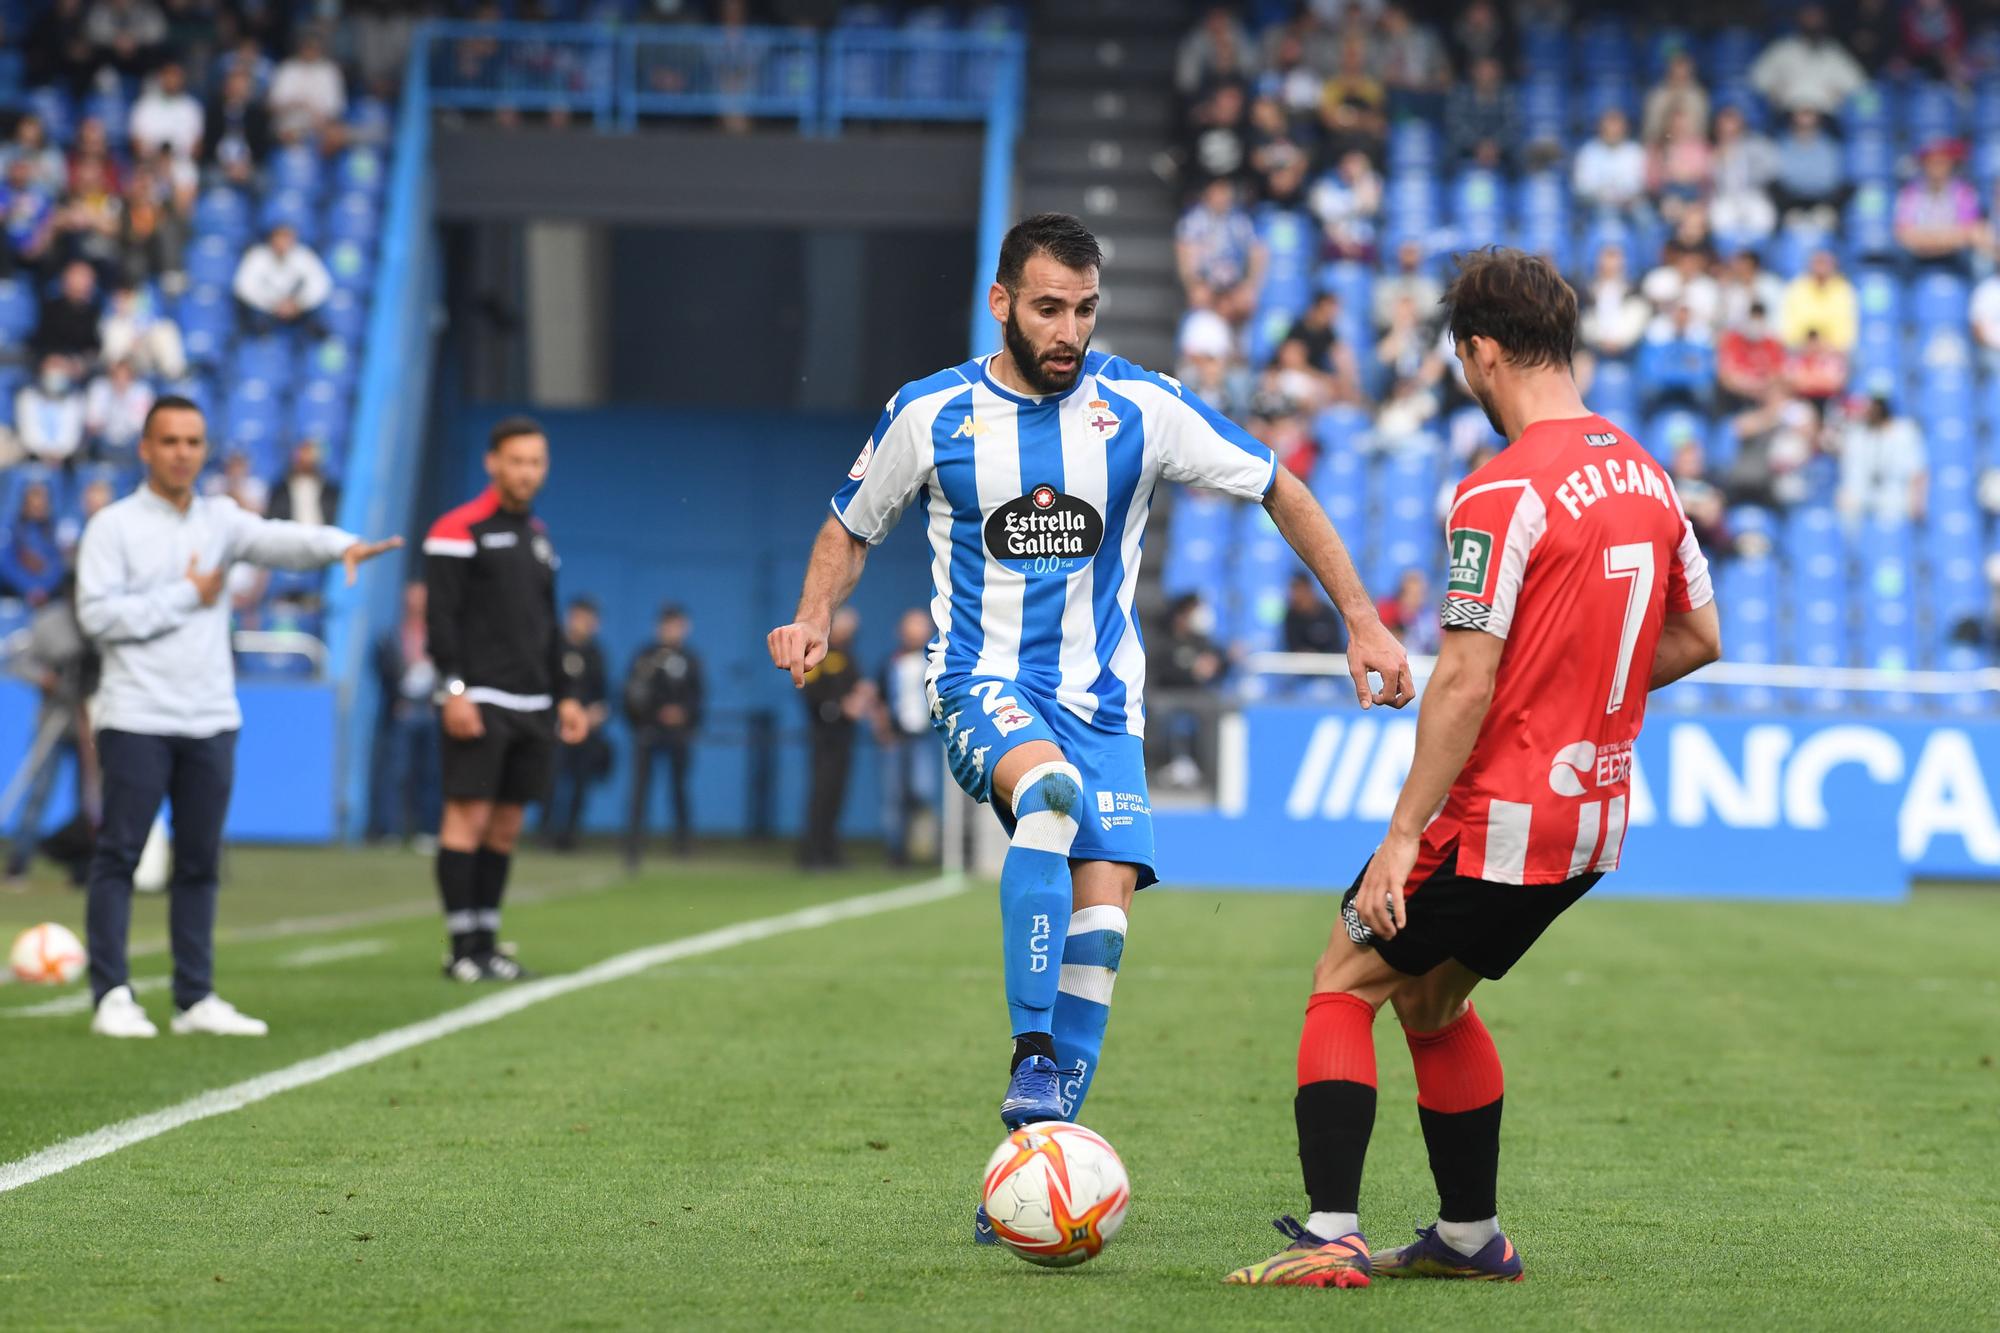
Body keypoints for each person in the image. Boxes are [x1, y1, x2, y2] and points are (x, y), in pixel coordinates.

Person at [767, 213, 1412, 1225]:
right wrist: (813, 616)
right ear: (1001, 304)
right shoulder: (930, 413)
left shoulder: (1139, 406)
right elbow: (850, 526)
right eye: (1046, 308)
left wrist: (1364, 622)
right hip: (980, 681)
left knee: (1101, 922)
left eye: (1082, 309)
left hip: (1103, 706)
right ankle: (1030, 1058)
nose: (1067, 330)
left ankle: (1034, 1164)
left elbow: (1278, 485)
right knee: (1050, 797)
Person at [1226, 247, 1719, 1288]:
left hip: (1498, 812)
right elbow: (1695, 635)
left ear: (1482, 351)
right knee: (1431, 999)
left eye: (1462, 360)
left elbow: (1459, 679)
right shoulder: (1646, 472)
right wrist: (1574, 696)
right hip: (1592, 818)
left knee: (1343, 976)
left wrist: (1398, 840)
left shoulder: (1500, 488)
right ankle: (1466, 1239)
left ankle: (1329, 1236)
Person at [76, 395, 399, 1038]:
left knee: (200, 862)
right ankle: (111, 993)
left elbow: (281, 540)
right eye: (169, 441)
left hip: (210, 716)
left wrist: (341, 547)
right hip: (137, 714)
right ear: (145, 448)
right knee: (120, 855)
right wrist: (183, 597)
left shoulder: (220, 520)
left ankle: (194, 997)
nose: (183, 453)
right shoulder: (112, 527)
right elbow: (97, 617)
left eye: (194, 441)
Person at [423, 417, 589, 982]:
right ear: (493, 463)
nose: (526, 471)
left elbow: (548, 625)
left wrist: (565, 696)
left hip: (533, 704)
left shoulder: (539, 537)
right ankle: (461, 947)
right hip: (480, 698)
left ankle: (488, 941)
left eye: (536, 462)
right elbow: (439, 620)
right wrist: (453, 691)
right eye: (516, 460)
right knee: (466, 820)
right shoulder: (457, 529)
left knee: (505, 827)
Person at [4, 574, 96, 882]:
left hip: (88, 719)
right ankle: (19, 862)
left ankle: (82, 867)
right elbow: (22, 663)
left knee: (89, 797)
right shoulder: (49, 622)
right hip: (54, 717)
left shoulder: (101, 619)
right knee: (38, 793)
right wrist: (46, 678)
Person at [621, 604, 703, 865]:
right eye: (667, 624)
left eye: (677, 624)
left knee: (679, 789)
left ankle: (683, 844)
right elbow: (631, 693)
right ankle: (633, 847)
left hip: (679, 735)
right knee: (640, 791)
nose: (672, 630)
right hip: (648, 732)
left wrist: (684, 715)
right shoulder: (645, 656)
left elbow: (698, 697)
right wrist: (653, 714)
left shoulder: (691, 659)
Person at [369, 581, 442, 848]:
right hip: (403, 709)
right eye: (412, 598)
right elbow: (381, 667)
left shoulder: (438, 634)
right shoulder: (392, 635)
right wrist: (396, 698)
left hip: (431, 709)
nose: (416, 604)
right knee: (396, 771)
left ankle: (428, 830)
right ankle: (390, 829)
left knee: (431, 772)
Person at [798, 606, 867, 870]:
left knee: (837, 793)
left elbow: (858, 686)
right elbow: (809, 692)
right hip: (824, 736)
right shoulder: (817, 655)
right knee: (821, 793)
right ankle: (811, 852)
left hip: (844, 737)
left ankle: (829, 849)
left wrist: (861, 697)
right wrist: (839, 707)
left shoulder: (849, 656)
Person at [540, 595, 609, 853]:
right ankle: (545, 834)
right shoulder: (554, 647)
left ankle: (570, 836)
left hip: (586, 730)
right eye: (580, 617)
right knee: (551, 781)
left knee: (580, 783)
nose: (585, 623)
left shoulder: (596, 654)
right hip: (555, 727)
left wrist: (594, 715)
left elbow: (602, 695)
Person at [875, 607, 939, 868]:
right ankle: (896, 853)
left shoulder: (935, 663)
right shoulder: (890, 662)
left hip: (924, 737)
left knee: (923, 791)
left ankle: (926, 848)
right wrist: (883, 730)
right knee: (894, 796)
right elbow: (878, 699)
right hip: (897, 737)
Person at [1176, 177, 1265, 327]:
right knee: (1200, 296)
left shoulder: (1240, 221)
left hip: (1233, 284)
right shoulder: (1194, 221)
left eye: (1225, 192)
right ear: (1208, 194)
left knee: (1245, 301)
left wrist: (1250, 285)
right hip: (1206, 282)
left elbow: (1258, 251)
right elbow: (1184, 253)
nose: (1221, 198)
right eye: (1217, 192)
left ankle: (1237, 344)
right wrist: (1193, 283)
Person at [1748, 4, 1866, 117]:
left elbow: (1860, 86)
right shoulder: (1781, 49)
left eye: (1816, 16)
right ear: (1799, 19)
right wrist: (1771, 91)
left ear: (1824, 20)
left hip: (1826, 119)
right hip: (1786, 117)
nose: (1812, 20)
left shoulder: (1834, 52)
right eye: (1808, 16)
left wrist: (1843, 97)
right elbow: (1755, 80)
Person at [1837, 394, 1926, 525]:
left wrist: (1916, 502)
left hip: (1894, 498)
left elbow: (1917, 471)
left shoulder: (1905, 432)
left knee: (1891, 521)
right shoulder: (1856, 435)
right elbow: (1849, 474)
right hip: (1862, 497)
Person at [1895, 141, 1981, 275]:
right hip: (1917, 263)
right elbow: (1904, 235)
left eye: (1942, 162)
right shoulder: (1910, 193)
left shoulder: (1964, 193)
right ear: (1924, 165)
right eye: (1933, 162)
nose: (1937, 167)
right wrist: (1949, 237)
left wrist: (1926, 238)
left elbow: (1970, 232)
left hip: (1956, 262)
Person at [233, 223, 332, 338]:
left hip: (298, 309)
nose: (282, 243)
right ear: (271, 239)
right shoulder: (257, 256)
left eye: (286, 238)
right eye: (279, 238)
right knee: (252, 321)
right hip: (266, 310)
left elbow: (321, 285)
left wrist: (299, 304)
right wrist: (272, 305)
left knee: (319, 324)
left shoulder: (304, 256)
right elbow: (243, 287)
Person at [268, 29, 347, 144]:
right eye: (307, 46)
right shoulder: (287, 69)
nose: (310, 50)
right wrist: (296, 104)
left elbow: (337, 109)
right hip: (288, 127)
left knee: (336, 134)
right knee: (287, 132)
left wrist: (318, 118)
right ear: (300, 47)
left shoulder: (330, 71)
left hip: (320, 129)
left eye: (314, 47)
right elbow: (271, 106)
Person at [0, 481, 67, 605]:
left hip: (49, 598)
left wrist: (43, 589)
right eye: (34, 497)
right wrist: (29, 588)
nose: (39, 503)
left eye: (43, 498)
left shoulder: (54, 528)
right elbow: (5, 563)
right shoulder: (10, 527)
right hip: (15, 596)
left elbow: (59, 564)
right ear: (24, 501)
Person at [205, 65, 273, 187]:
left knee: (263, 182)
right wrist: (228, 166)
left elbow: (262, 146)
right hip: (219, 166)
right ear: (226, 87)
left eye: (242, 86)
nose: (238, 90)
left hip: (249, 167)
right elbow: (208, 143)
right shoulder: (213, 113)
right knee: (212, 179)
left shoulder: (257, 115)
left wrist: (246, 166)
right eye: (234, 85)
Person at [15, 355, 88, 464]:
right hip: (34, 455)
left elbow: (73, 432)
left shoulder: (76, 399)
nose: (56, 373)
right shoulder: (28, 396)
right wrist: (43, 452)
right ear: (43, 371)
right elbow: (28, 429)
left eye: (60, 368)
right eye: (52, 367)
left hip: (66, 457)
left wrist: (59, 452)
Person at [128, 61, 204, 164]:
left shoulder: (192, 108)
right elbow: (136, 143)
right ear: (161, 78)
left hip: (182, 164)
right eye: (168, 76)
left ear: (182, 79)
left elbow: (197, 147)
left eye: (175, 76)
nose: (171, 80)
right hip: (150, 163)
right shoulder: (144, 105)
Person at [84, 356, 154, 462]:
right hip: (104, 441)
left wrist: (124, 400)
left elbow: (141, 424)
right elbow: (92, 422)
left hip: (131, 443)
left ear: (131, 376)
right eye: (116, 375)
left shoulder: (142, 392)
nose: (120, 380)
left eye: (125, 376)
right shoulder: (99, 388)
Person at [266, 440, 340, 525]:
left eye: (309, 453)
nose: (306, 458)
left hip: (323, 535)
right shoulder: (280, 491)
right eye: (303, 452)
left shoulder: (330, 491)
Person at [1377, 567, 1442, 656]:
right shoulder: (1388, 610)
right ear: (1402, 592)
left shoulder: (1430, 617)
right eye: (1413, 594)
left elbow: (1439, 643)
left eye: (1421, 593)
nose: (1418, 598)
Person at [1282, 571, 1345, 655]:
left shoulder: (1328, 613)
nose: (1295, 595)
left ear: (1308, 589)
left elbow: (1336, 646)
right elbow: (1293, 647)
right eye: (1294, 590)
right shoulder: (1291, 616)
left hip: (1329, 665)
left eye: (1299, 589)